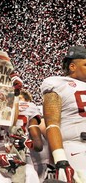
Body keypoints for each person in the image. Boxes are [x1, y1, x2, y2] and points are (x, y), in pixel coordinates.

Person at [41, 45, 86, 182]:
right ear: (72, 66)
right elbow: (52, 124)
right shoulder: (58, 83)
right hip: (76, 147)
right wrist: (60, 160)